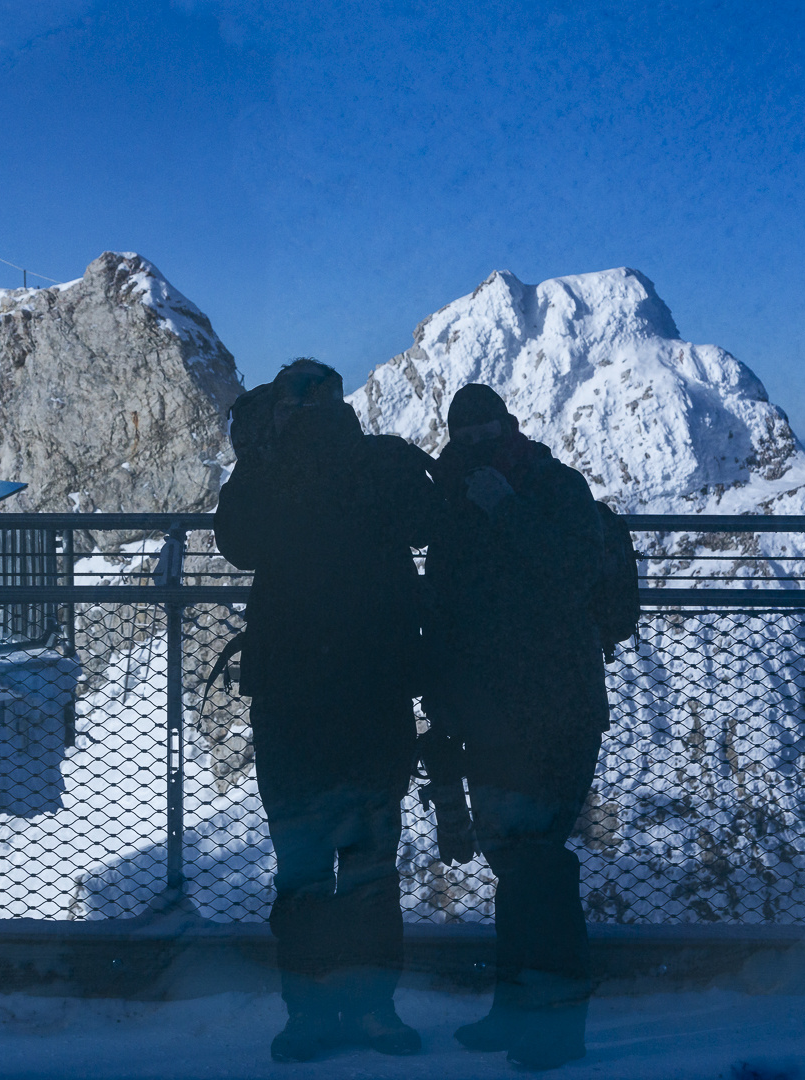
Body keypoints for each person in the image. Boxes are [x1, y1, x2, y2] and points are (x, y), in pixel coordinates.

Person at [213, 358, 439, 1063]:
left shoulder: (271, 474)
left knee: (303, 870)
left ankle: (310, 1018)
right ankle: (374, 1014)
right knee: (370, 869)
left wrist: (259, 456)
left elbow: (236, 544)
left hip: (294, 707)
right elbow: (427, 520)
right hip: (374, 699)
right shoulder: (380, 463)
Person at [422, 383, 611, 1070]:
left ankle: (555, 1026)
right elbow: (446, 604)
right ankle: (517, 1010)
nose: (473, 441)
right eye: (463, 431)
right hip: (494, 715)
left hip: (554, 709)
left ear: (508, 426)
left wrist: (507, 513)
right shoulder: (455, 498)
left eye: (484, 429)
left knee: (537, 866)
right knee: (517, 864)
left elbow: (574, 574)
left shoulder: (554, 488)